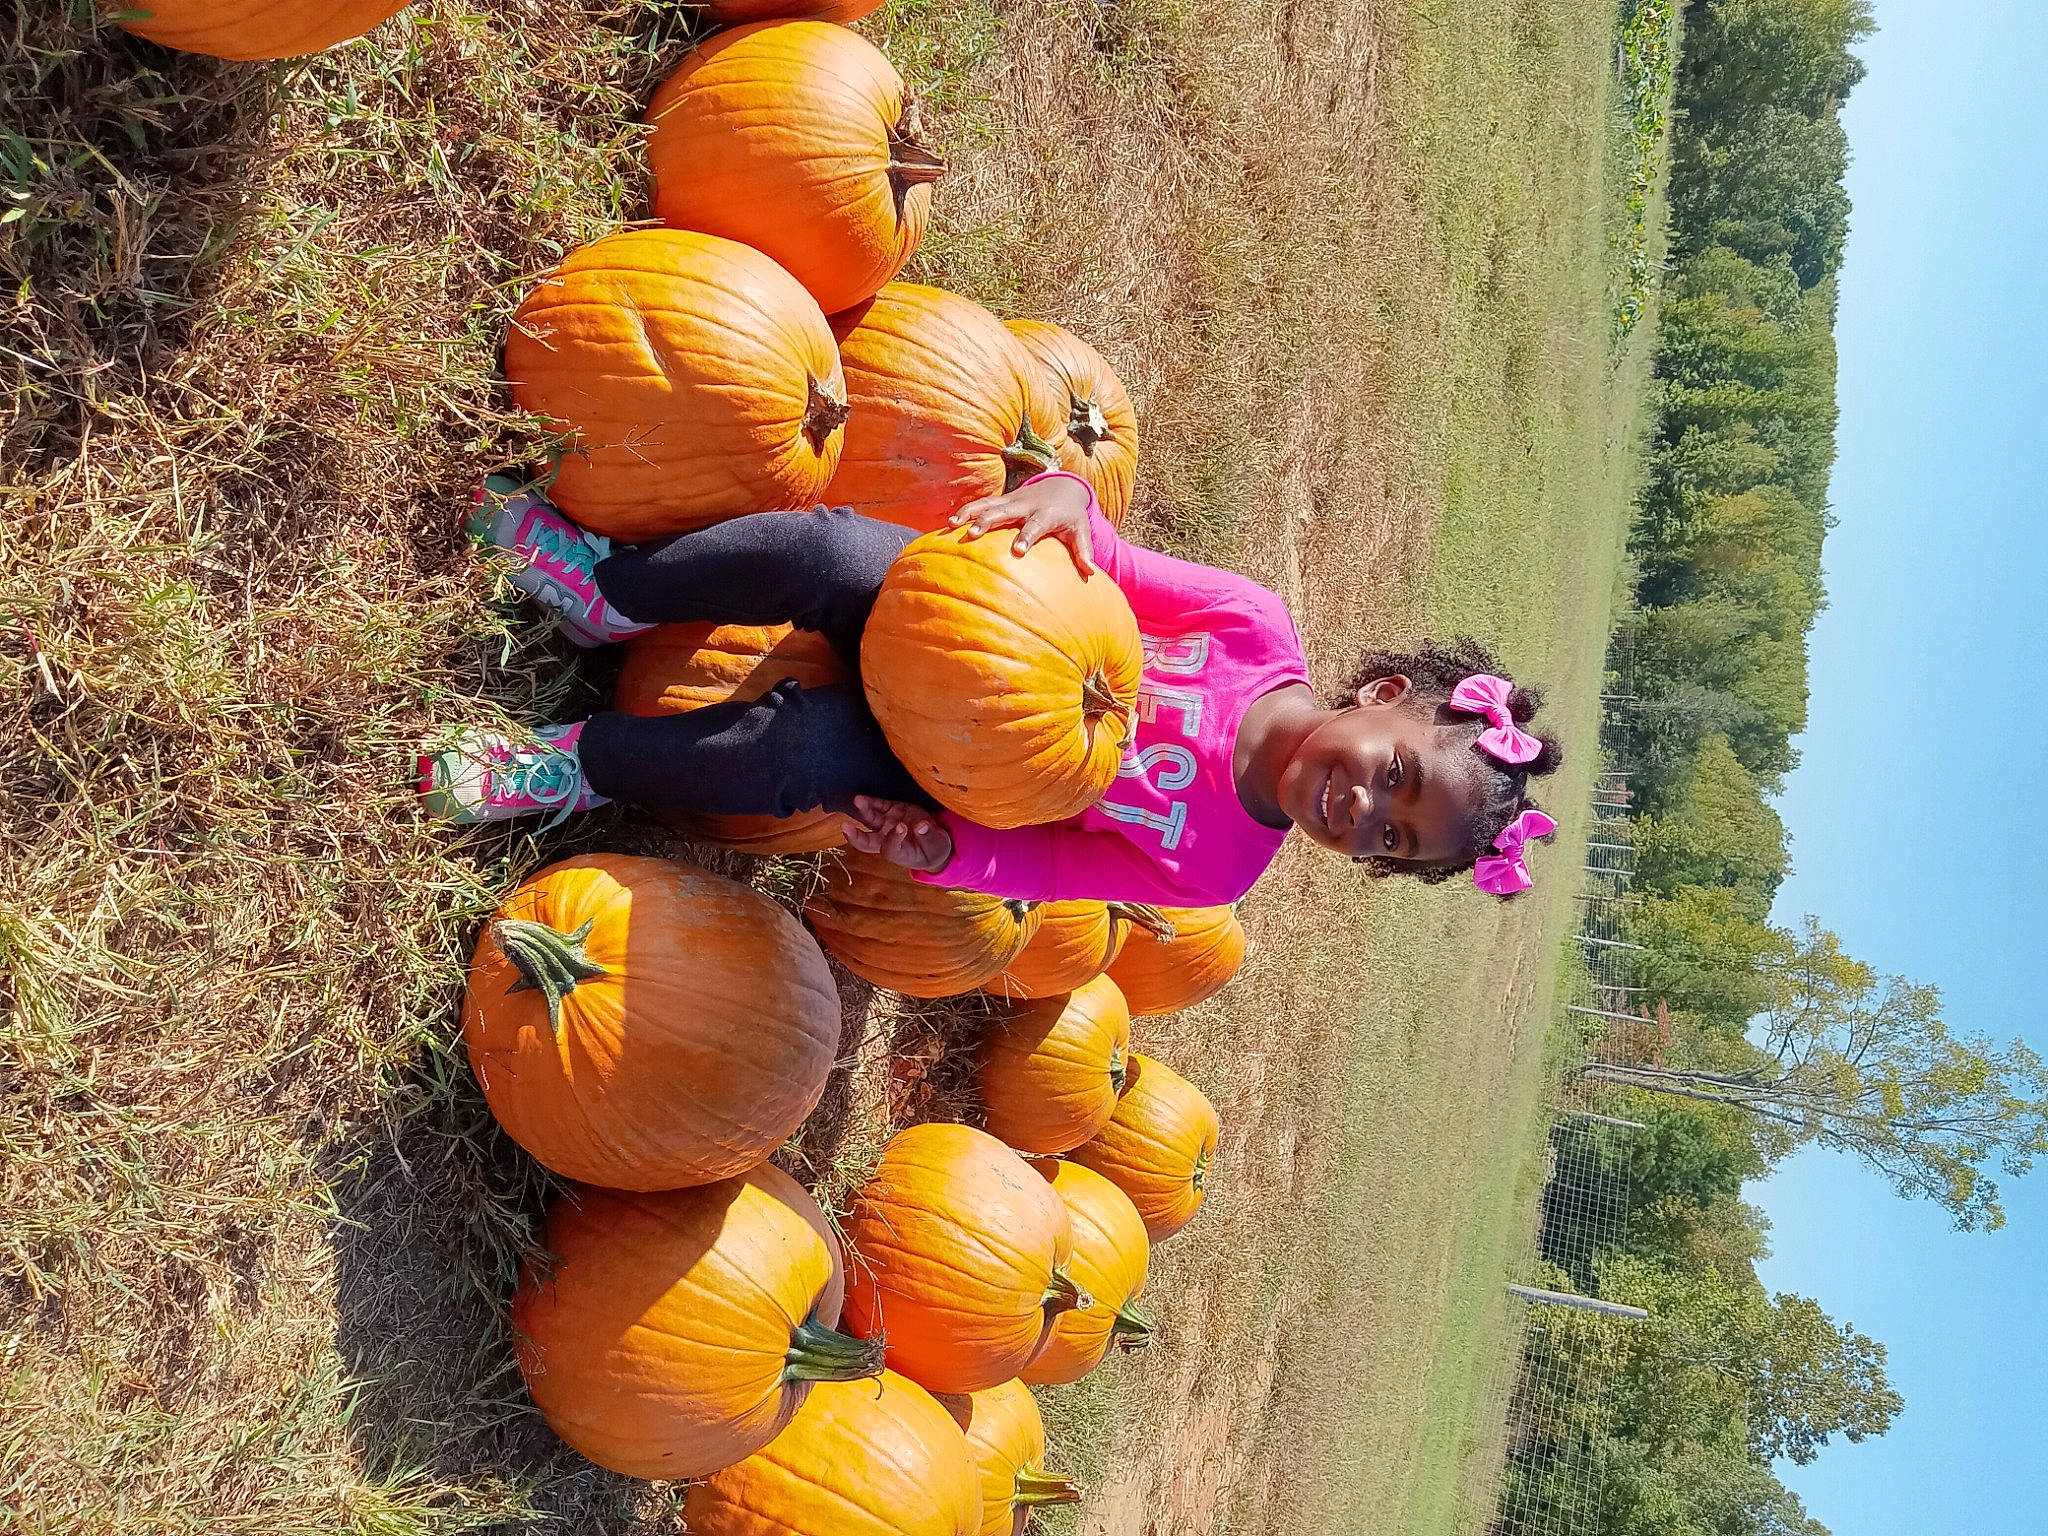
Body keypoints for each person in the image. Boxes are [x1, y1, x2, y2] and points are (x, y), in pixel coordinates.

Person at [420, 470, 1563, 901]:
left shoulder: (1217, 868)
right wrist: (1066, 496)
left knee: (790, 760)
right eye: (1397, 777)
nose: (1361, 811)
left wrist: (949, 851)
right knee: (826, 554)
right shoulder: (1248, 627)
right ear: (1384, 695)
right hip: (953, 624)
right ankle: (615, 593)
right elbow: (1107, 564)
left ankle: (573, 767)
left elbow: (1059, 866)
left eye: (1389, 842)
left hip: (944, 769)